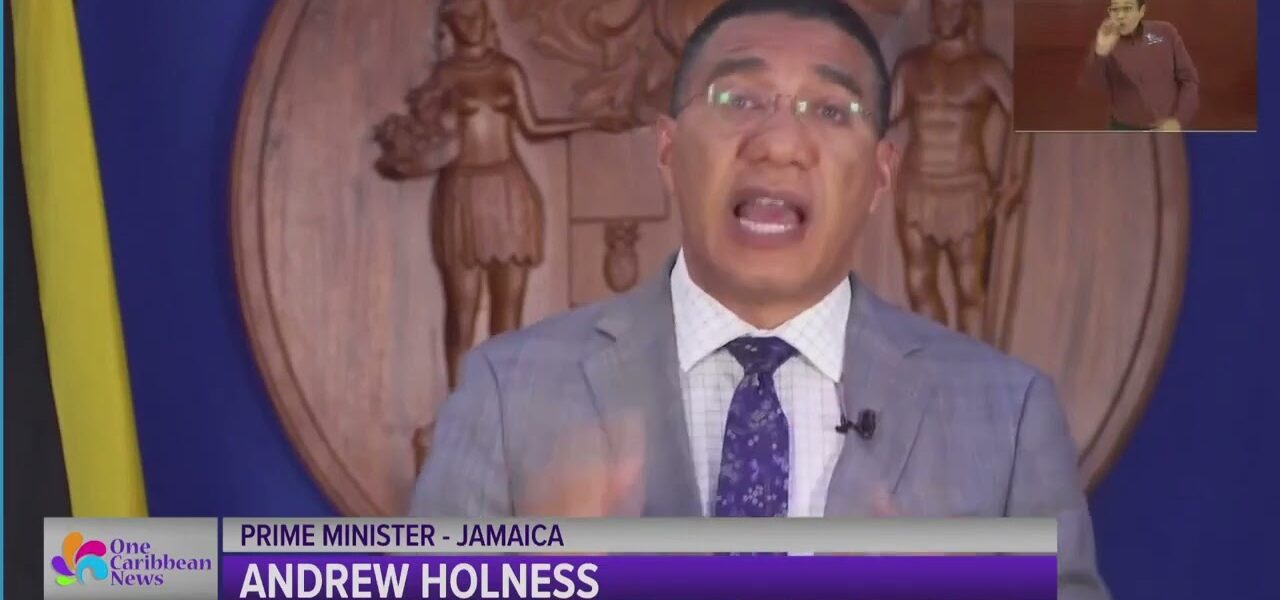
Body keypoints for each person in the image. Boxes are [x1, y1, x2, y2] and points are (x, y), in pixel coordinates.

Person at [412, 1, 1108, 597]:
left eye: (831, 109)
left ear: (879, 176)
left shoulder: (1009, 415)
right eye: (739, 100)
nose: (778, 143)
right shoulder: (508, 392)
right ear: (668, 151)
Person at [374, 0, 628, 389]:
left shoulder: (506, 70)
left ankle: (503, 405)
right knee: (461, 312)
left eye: (476, 14)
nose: (472, 23)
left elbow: (533, 126)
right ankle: (460, 403)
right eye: (463, 17)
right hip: (462, 196)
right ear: (450, 24)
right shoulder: (444, 76)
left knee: (508, 317)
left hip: (509, 191)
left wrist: (590, 121)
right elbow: (426, 137)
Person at [889, 0, 1030, 342]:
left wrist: (1016, 175)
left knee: (970, 288)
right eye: (939, 7)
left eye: (953, 7)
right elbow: (884, 116)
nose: (945, 15)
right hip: (917, 186)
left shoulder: (987, 68)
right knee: (919, 283)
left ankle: (973, 363)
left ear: (968, 12)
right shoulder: (911, 65)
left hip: (966, 189)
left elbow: (1024, 118)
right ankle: (936, 360)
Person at [1082, 0, 1199, 131]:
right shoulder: (1104, 42)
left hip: (1168, 128)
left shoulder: (1165, 32)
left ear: (1141, 11)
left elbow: (1189, 80)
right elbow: (1092, 87)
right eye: (1115, 9)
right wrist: (1101, 52)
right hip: (1124, 130)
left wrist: (1179, 120)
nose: (1120, 15)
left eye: (1127, 8)